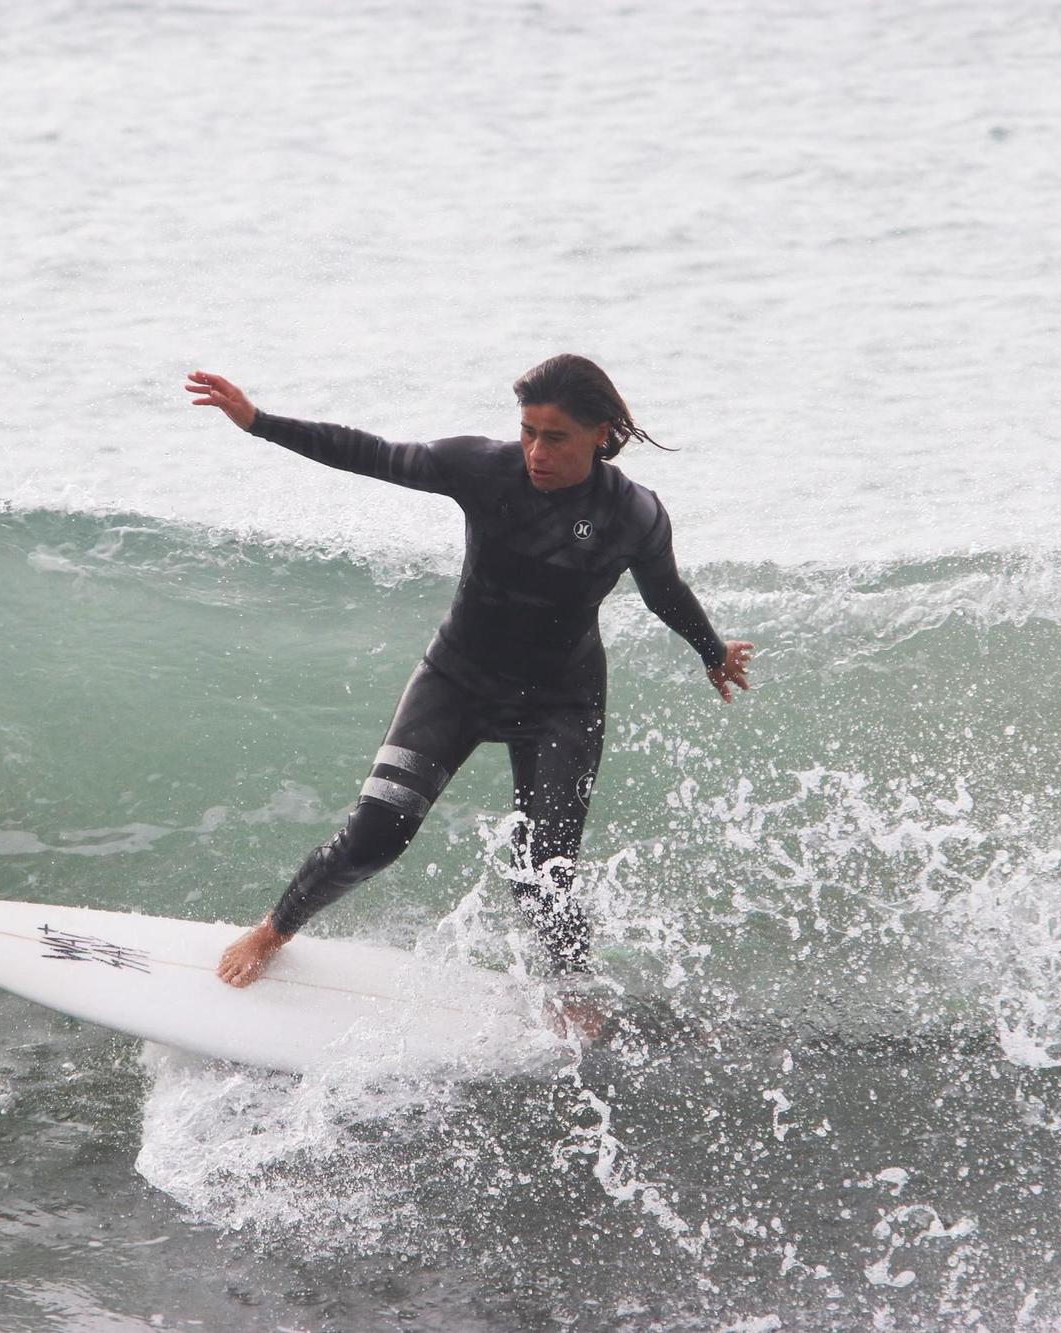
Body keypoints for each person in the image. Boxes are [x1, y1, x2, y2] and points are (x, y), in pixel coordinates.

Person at [183, 354, 754, 992]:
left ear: (601, 433)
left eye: (556, 436)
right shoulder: (483, 469)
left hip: (561, 702)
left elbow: (664, 592)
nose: (536, 450)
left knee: (544, 871)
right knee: (376, 837)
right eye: (528, 431)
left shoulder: (635, 513)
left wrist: (712, 651)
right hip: (457, 680)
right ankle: (274, 929)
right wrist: (258, 420)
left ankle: (570, 989)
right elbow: (369, 452)